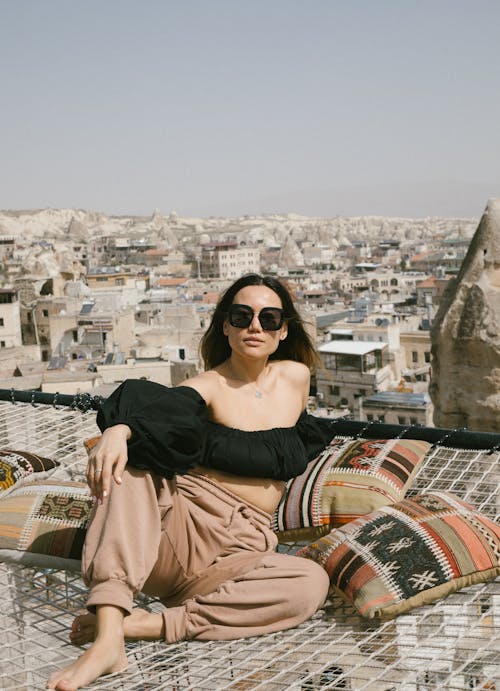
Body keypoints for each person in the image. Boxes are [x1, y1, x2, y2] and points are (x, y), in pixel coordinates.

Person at [47, 273, 333, 691]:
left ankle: (149, 624)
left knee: (310, 584)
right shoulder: (209, 385)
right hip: (179, 530)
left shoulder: (295, 376)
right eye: (242, 315)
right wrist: (118, 432)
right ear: (225, 325)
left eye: (269, 318)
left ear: (283, 330)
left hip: (243, 549)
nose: (255, 326)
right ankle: (109, 634)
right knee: (132, 467)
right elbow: (157, 407)